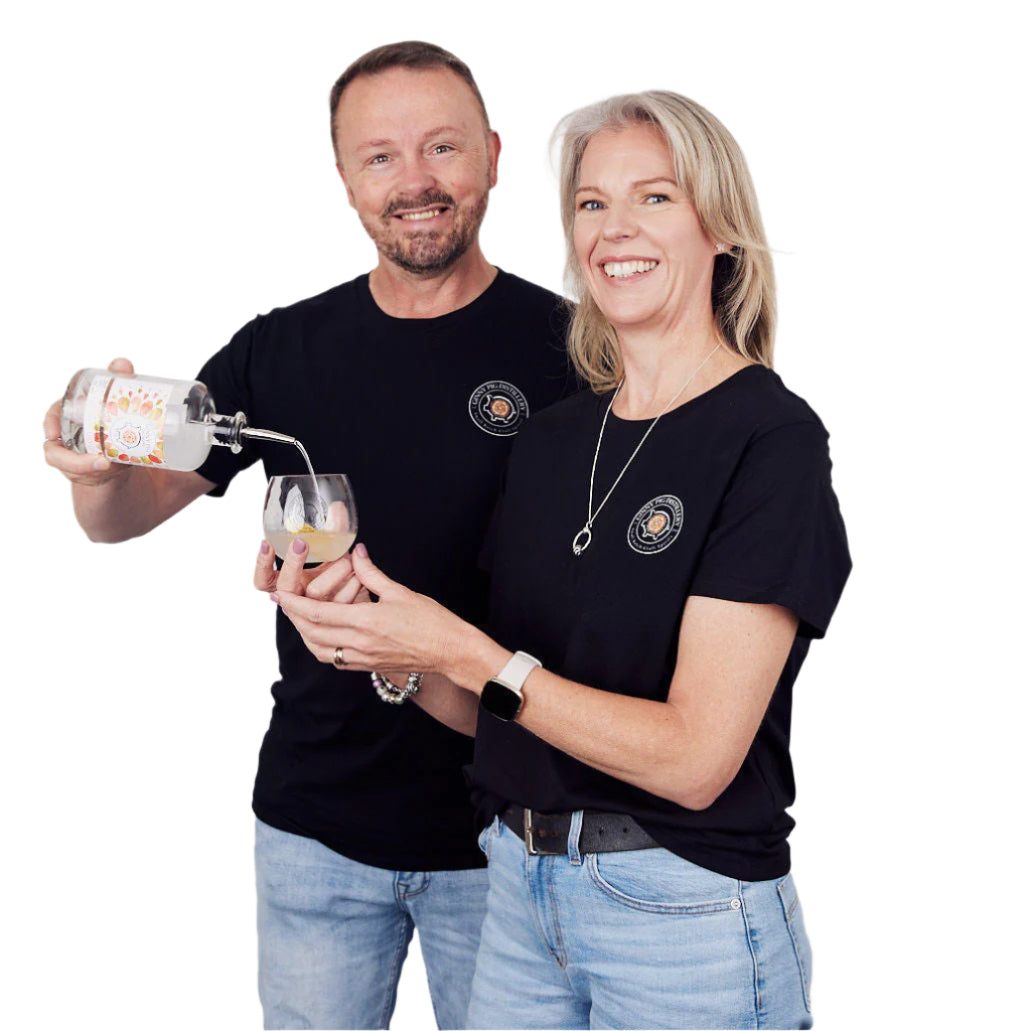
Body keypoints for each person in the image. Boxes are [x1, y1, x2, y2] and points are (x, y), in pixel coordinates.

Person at [272, 89, 851, 1030]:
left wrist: (464, 649)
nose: (615, 228)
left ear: (719, 228)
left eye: (654, 196)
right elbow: (500, 711)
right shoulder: (550, 440)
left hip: (684, 915)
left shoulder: (768, 439)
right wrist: (379, 640)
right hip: (519, 895)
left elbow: (695, 759)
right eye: (591, 203)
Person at [42, 41, 575, 1030]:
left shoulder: (574, 352)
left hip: (511, 837)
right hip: (315, 833)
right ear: (343, 179)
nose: (414, 181)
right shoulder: (281, 349)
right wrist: (98, 477)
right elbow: (123, 515)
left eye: (442, 147)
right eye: (379, 156)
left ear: (493, 156)